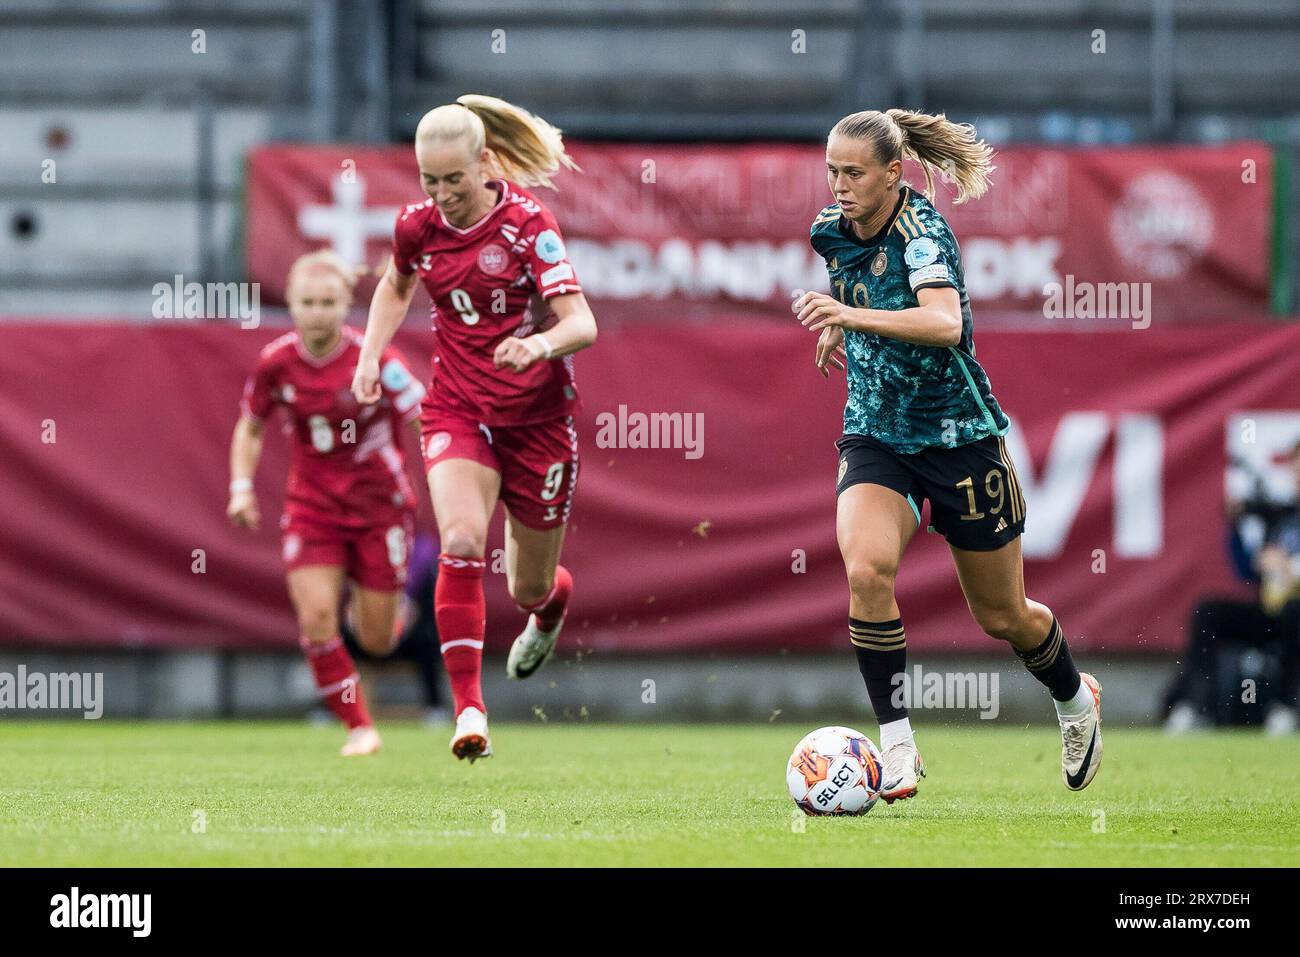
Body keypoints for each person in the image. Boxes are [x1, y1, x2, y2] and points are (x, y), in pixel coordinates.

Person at [795, 108, 1103, 800]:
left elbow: (943, 321)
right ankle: (898, 746)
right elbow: (860, 290)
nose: (839, 185)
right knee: (868, 568)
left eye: (853, 173)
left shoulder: (923, 229)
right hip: (877, 435)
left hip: (961, 441)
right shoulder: (828, 232)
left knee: (1004, 616)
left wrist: (848, 317)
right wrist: (842, 331)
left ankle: (1075, 699)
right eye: (832, 171)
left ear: (892, 175)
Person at [351, 94, 598, 762]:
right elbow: (395, 285)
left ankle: (550, 607)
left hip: (538, 422)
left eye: (453, 179)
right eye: (429, 181)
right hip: (458, 410)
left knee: (528, 586)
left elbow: (582, 322)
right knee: (460, 538)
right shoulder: (416, 226)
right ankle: (469, 710)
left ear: (484, 163)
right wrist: (371, 354)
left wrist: (541, 347)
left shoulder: (528, 224)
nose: (442, 194)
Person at [229, 250, 426, 756]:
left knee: (378, 641)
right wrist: (241, 488)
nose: (317, 312)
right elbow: (251, 426)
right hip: (312, 507)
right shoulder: (276, 362)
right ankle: (360, 727)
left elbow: (423, 417)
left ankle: (394, 607)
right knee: (316, 617)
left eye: (328, 302)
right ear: (291, 304)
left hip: (380, 507)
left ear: (346, 305)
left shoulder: (376, 358)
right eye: (307, 302)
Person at [1163, 445, 1300, 735]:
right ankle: (1197, 706)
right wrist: (1235, 526)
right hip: (1274, 613)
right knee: (1209, 610)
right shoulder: (1282, 517)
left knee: (1293, 612)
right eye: (1294, 465)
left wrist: (1291, 569)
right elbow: (1247, 572)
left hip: (1295, 615)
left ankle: (1287, 706)